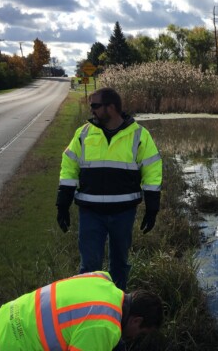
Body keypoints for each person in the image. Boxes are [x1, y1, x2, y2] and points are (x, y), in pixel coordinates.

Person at [56, 87, 162, 291]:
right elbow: (69, 168)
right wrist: (62, 203)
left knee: (120, 265)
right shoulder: (83, 133)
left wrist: (152, 208)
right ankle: (90, 305)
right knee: (89, 267)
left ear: (111, 107)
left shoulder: (139, 135)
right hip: (90, 212)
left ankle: (117, 303)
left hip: (123, 213)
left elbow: (152, 170)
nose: (91, 110)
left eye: (95, 106)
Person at [0, 271, 163, 351]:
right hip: (3, 346)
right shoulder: (105, 327)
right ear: (136, 321)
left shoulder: (102, 279)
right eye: (140, 333)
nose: (134, 337)